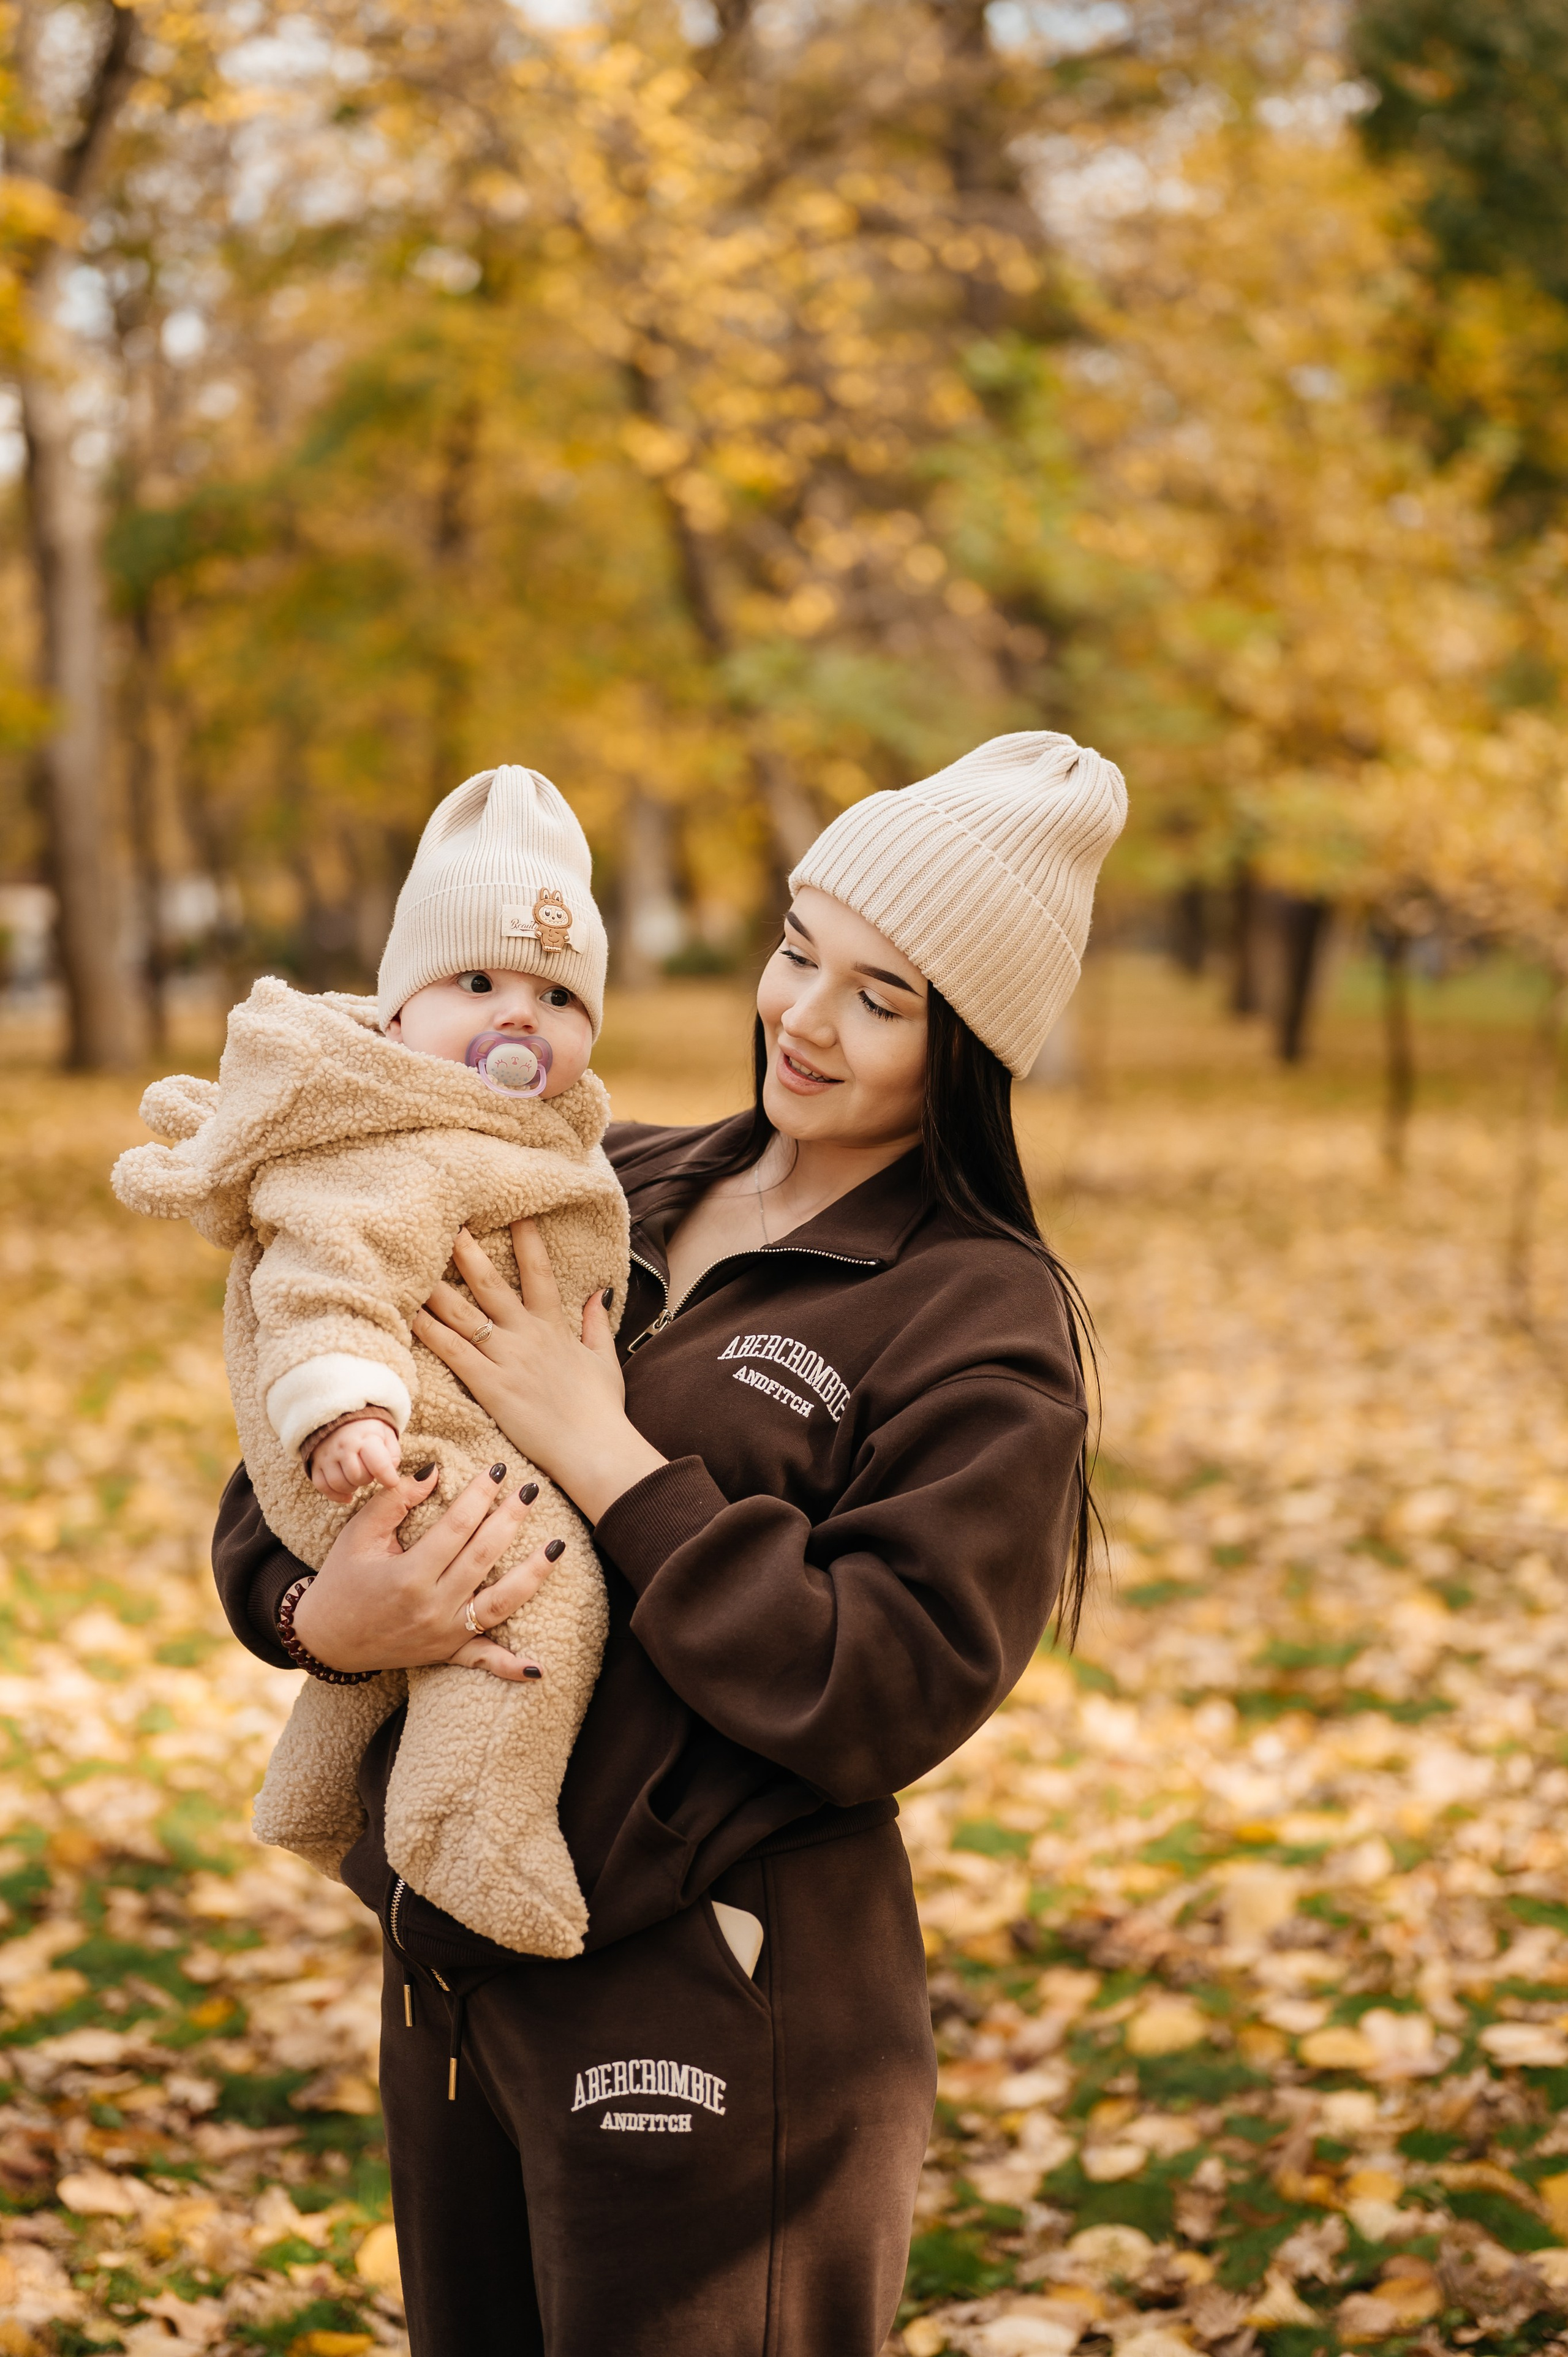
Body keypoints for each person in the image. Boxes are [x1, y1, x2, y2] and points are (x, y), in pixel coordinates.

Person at [211, 730, 1127, 2356]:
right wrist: (319, 1616)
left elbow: (882, 1685)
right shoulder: (597, 1173)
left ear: (973, 1045)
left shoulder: (981, 1318)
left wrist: (607, 1451)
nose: (800, 1015)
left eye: (882, 997)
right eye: (798, 950)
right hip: (455, 1975)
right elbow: (309, 1420)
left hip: (720, 1996)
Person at [116, 766, 628, 1957]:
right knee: (543, 1587)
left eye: (558, 994)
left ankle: (309, 1788)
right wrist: (344, 1402)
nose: (520, 1016)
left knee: (424, 1618)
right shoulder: (397, 1144)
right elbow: (326, 1272)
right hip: (387, 1437)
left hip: (437, 1420)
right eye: (477, 982)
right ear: (397, 1012)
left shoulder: (490, 1125)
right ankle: (463, 1820)